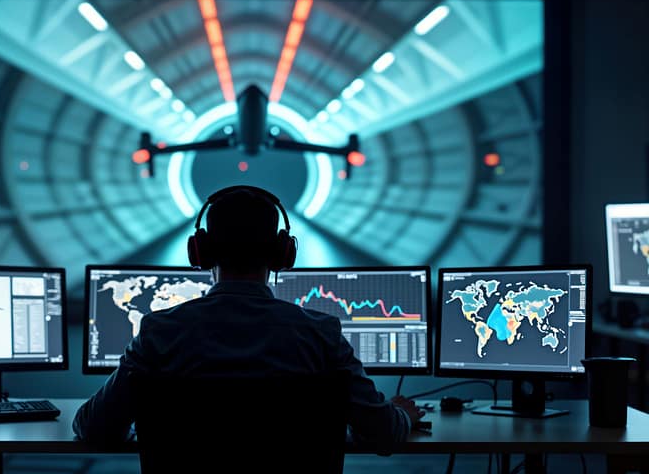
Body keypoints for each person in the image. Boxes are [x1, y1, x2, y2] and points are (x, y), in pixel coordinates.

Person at [73, 185, 423, 449]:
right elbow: (384, 435)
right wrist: (402, 416)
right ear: (284, 254)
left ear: (200, 251)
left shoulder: (158, 333)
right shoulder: (320, 334)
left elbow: (93, 428)